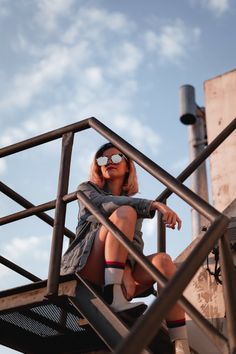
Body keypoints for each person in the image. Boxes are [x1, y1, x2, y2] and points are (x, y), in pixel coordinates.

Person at [61, 142, 191, 354]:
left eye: (115, 158)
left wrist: (129, 270)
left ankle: (180, 344)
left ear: (128, 166)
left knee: (163, 261)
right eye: (102, 160)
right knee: (125, 212)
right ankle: (114, 295)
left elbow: (134, 243)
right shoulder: (86, 189)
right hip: (87, 266)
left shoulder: (131, 205)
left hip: (118, 272)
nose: (108, 163)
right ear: (98, 167)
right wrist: (154, 205)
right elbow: (105, 204)